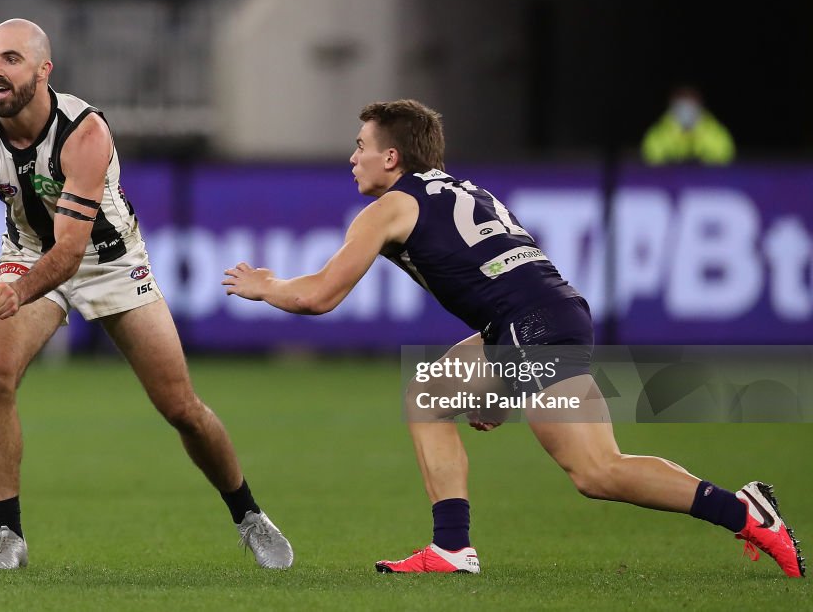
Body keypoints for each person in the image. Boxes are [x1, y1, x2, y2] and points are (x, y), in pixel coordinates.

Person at [223, 99, 803, 577]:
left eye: (361, 146)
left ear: (391, 156)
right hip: (538, 318)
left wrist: (266, 285)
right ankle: (452, 547)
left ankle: (744, 512)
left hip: (532, 326)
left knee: (597, 472)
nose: (353, 157)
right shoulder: (459, 189)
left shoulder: (391, 205)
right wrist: (497, 388)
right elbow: (504, 279)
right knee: (431, 394)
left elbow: (320, 295)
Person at [0, 18, 292, 570]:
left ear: (43, 69)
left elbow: (73, 249)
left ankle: (248, 513)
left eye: (10, 59)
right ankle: (9, 536)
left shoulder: (85, 133)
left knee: (180, 407)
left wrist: (17, 293)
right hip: (28, 252)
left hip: (110, 261)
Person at [641, 86, 735, 165]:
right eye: (681, 106)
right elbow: (650, 156)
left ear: (700, 107)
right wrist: (676, 132)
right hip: (670, 180)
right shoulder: (658, 132)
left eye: (691, 106)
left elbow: (725, 155)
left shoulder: (715, 131)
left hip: (706, 182)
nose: (686, 111)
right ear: (671, 107)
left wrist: (698, 131)